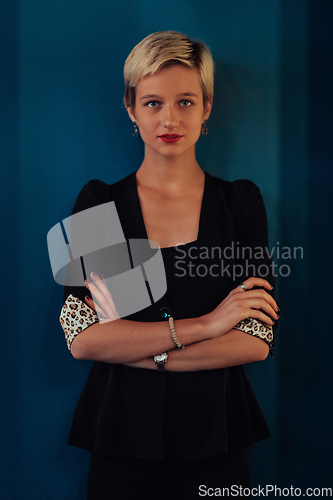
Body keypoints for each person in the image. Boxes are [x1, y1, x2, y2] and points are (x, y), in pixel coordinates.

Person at [60, 31, 278, 499]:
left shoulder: (240, 201)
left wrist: (132, 341)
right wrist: (208, 325)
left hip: (218, 442)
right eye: (154, 103)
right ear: (130, 109)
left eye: (185, 101)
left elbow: (256, 340)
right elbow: (83, 339)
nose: (170, 118)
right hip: (119, 443)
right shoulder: (99, 202)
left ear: (207, 108)